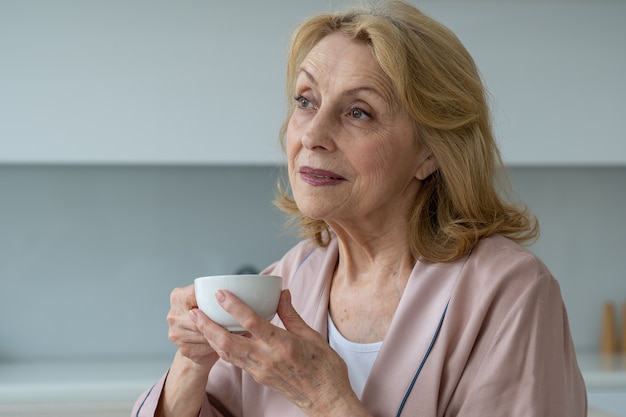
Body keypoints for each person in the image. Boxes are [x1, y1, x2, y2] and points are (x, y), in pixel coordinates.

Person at [132, 1, 586, 416]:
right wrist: (193, 360)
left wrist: (328, 400)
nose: (313, 134)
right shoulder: (287, 281)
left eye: (359, 112)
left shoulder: (509, 293)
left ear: (431, 151)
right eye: (306, 101)